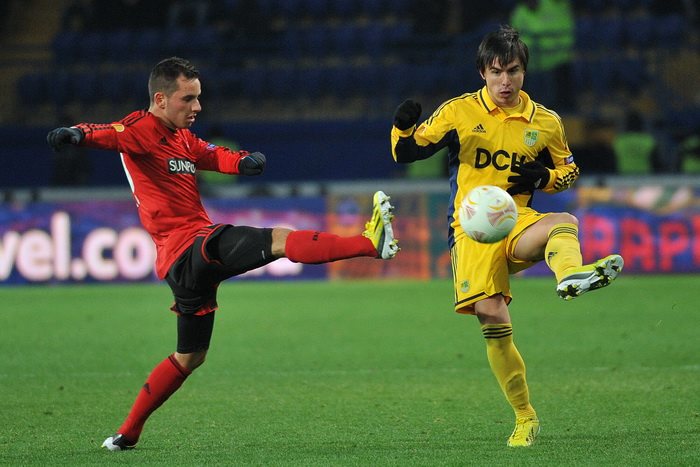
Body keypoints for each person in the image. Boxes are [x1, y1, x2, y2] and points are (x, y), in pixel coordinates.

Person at [46, 56, 400, 451]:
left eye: (198, 98)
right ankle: (369, 244)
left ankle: (126, 435)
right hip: (188, 247)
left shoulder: (182, 137)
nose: (197, 107)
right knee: (278, 240)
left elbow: (211, 154)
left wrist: (242, 161)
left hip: (184, 261)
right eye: (188, 98)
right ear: (160, 99)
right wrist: (76, 134)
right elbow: (108, 133)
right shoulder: (141, 130)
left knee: (189, 357)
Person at [390, 26, 623, 447]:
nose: (505, 81)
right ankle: (525, 417)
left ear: (524, 72)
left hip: (515, 219)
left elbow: (569, 171)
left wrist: (544, 176)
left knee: (563, 220)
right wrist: (403, 128)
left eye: (513, 71)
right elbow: (408, 153)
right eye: (496, 72)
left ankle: (570, 275)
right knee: (493, 317)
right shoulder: (459, 112)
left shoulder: (546, 122)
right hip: (471, 230)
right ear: (482, 71)